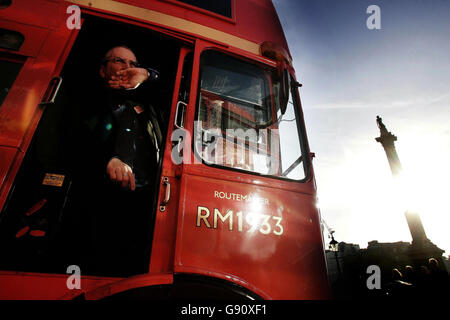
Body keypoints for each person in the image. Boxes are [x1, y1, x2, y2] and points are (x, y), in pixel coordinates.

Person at [63, 45, 163, 276]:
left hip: (142, 204)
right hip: (95, 202)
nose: (128, 68)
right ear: (102, 70)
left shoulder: (149, 105)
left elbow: (176, 85)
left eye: (133, 64)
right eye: (120, 61)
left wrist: (147, 74)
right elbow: (69, 139)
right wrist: (106, 159)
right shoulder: (86, 98)